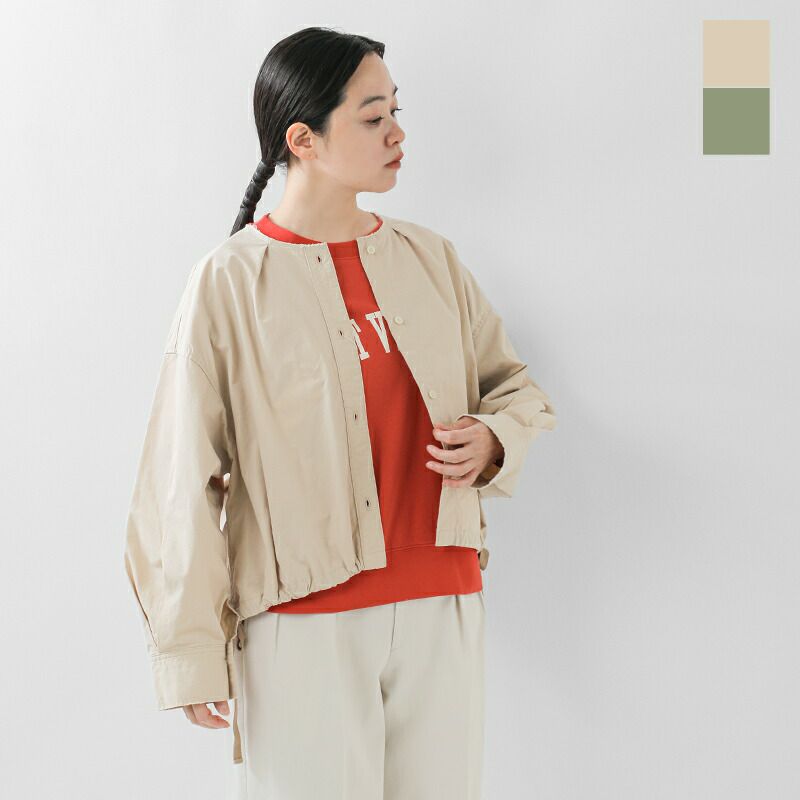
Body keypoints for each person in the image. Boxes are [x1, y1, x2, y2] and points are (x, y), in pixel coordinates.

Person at [123, 25, 557, 800]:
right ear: (304, 139)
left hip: (443, 604)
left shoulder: (430, 259)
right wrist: (190, 650)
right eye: (372, 116)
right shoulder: (230, 283)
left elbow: (514, 387)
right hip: (302, 624)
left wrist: (495, 438)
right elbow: (178, 479)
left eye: (396, 111)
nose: (397, 134)